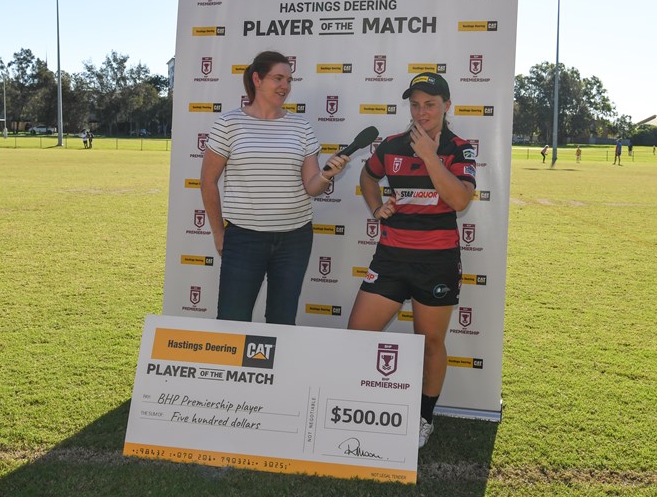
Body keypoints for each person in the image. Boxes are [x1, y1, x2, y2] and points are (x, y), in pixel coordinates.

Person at [347, 72, 476, 449]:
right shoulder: (390, 146)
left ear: (447, 106)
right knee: (358, 335)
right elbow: (368, 177)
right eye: (415, 104)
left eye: (430, 104)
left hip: (436, 262)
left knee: (430, 343)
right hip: (391, 257)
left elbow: (460, 200)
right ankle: (366, 406)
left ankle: (423, 417)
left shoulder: (459, 148)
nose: (422, 112)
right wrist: (375, 207)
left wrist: (431, 158)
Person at [200, 51, 350, 325]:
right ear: (257, 79)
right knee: (232, 320)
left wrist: (328, 174)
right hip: (244, 239)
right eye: (278, 78)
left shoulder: (301, 127)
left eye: (289, 80)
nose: (285, 86)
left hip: (295, 239)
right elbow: (207, 182)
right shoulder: (228, 124)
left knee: (282, 322)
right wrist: (218, 232)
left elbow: (312, 186)